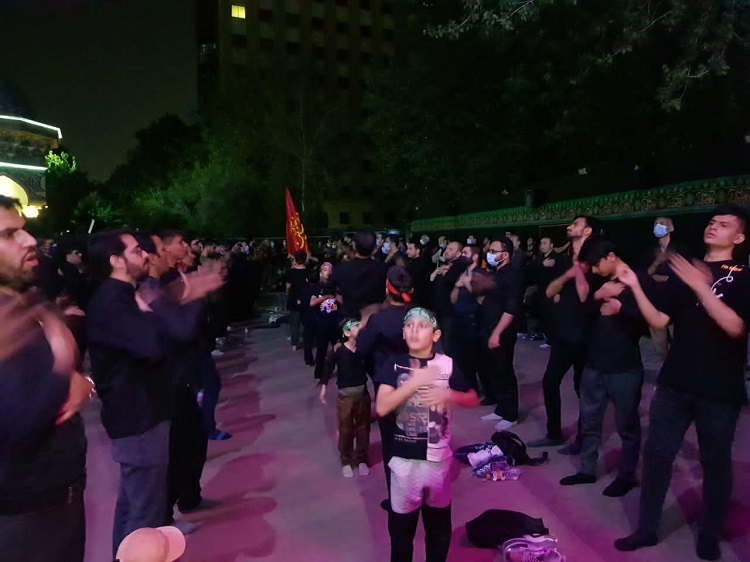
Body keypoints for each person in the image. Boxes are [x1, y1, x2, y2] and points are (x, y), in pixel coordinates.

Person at [614, 206, 750, 561]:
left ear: (739, 237)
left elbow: (736, 327)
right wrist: (634, 286)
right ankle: (647, 528)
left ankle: (709, 532)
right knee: (657, 455)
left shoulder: (743, 276)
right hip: (675, 383)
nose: (713, 226)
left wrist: (701, 287)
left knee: (715, 462)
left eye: (724, 225)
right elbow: (659, 321)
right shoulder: (685, 272)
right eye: (712, 222)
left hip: (719, 390)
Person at [0, 195, 91, 562]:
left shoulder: (23, 302)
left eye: (24, 231)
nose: (29, 241)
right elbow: (17, 423)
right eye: (9, 234)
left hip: (60, 497)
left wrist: (77, 381)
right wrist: (62, 367)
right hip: (21, 517)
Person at [375, 307, 479, 562]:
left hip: (438, 462)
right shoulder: (393, 364)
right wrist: (414, 381)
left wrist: (449, 394)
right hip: (404, 463)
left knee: (439, 529)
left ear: (436, 335)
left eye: (422, 326)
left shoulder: (446, 364)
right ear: (403, 333)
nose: (414, 330)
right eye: (409, 326)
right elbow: (382, 407)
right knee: (402, 534)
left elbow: (472, 399)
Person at [559, 238, 648, 497]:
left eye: (597, 264)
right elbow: (583, 315)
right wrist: (598, 295)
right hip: (594, 363)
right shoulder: (601, 282)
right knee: (589, 421)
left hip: (624, 366)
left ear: (611, 256)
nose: (595, 270)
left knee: (627, 425)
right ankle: (587, 469)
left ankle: (626, 475)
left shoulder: (639, 280)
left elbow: (651, 322)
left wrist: (621, 308)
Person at [527, 216, 603, 452]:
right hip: (564, 333)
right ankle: (554, 433)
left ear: (588, 231)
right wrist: (569, 274)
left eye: (576, 224)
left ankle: (584, 439)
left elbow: (584, 296)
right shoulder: (565, 261)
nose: (570, 227)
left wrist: (577, 272)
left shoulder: (596, 260)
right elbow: (550, 291)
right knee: (550, 382)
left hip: (585, 335)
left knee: (583, 389)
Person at [476, 237, 523, 430]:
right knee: (494, 371)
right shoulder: (496, 274)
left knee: (505, 371)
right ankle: (501, 409)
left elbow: (511, 309)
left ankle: (511, 414)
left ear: (505, 254)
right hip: (488, 327)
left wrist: (496, 333)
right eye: (490, 251)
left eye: (494, 251)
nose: (490, 254)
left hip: (502, 331)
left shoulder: (513, 275)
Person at [318, 319, 370, 478]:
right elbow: (328, 368)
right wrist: (324, 387)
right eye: (356, 326)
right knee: (346, 429)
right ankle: (346, 460)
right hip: (345, 398)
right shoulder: (338, 351)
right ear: (347, 332)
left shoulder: (362, 349)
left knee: (363, 428)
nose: (360, 327)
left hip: (362, 394)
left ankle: (361, 458)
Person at [331, 230, 387, 319]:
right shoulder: (383, 269)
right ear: (374, 248)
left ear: (354, 245)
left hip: (350, 319)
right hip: (376, 318)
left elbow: (335, 294)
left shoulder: (341, 269)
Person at [285, 250, 309, 351]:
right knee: (305, 322)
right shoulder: (308, 272)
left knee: (294, 322)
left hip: (293, 298)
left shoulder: (290, 272)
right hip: (305, 298)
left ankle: (294, 344)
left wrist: (287, 292)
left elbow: (288, 286)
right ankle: (307, 340)